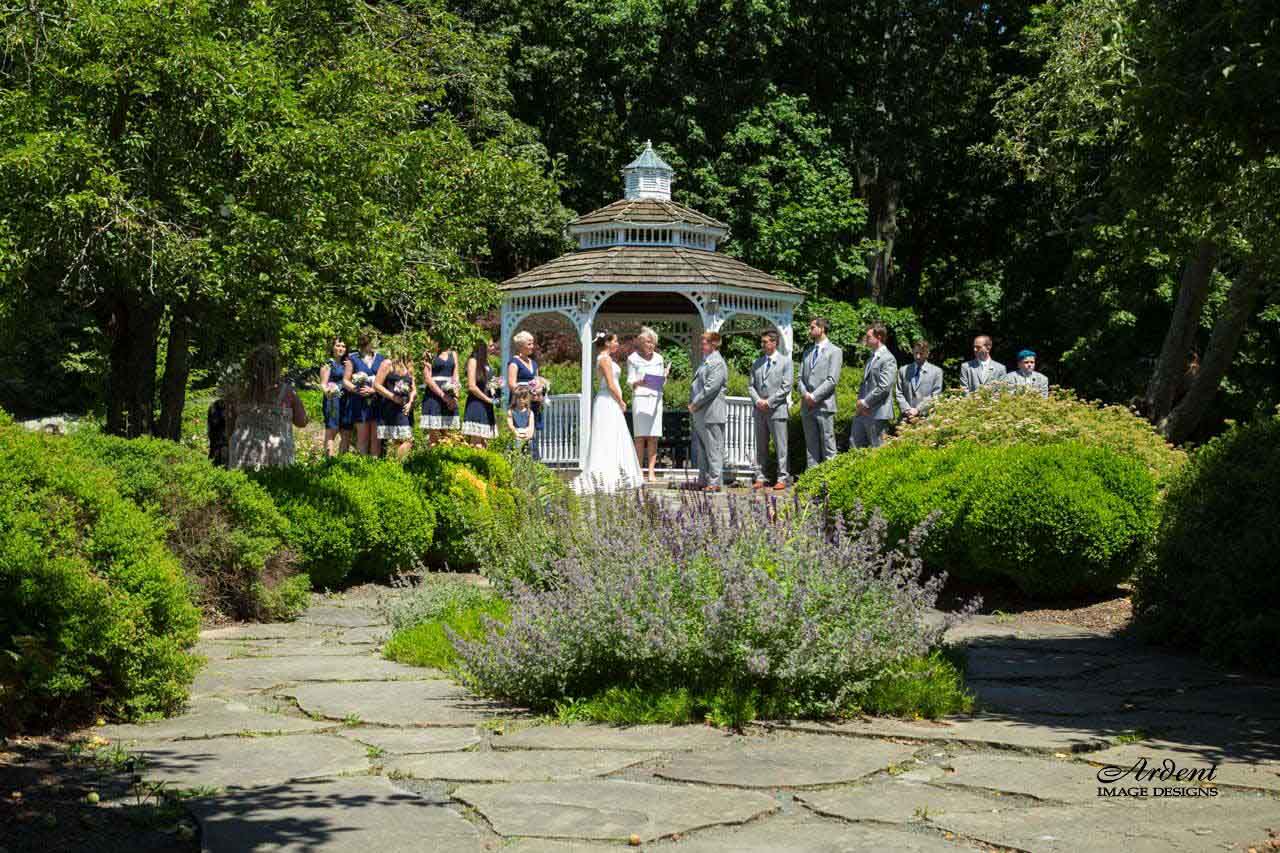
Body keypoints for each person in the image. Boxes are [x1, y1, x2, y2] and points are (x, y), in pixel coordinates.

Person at [573, 331, 643, 493]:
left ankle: (618, 471)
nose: (617, 344)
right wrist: (621, 401)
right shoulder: (604, 359)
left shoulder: (608, 358)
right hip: (608, 401)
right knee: (606, 435)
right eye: (615, 341)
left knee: (614, 435)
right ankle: (604, 474)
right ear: (607, 343)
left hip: (610, 401)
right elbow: (611, 384)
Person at [228, 344, 308, 470]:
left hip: (242, 449)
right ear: (276, 368)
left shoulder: (239, 392)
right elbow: (302, 421)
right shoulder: (287, 393)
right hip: (275, 451)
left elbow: (230, 426)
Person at [748, 330, 793, 490]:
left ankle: (782, 477)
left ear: (775, 343)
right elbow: (751, 386)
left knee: (781, 446)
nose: (763, 344)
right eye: (762, 341)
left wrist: (770, 401)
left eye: (766, 341)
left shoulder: (785, 362)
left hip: (777, 410)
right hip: (759, 410)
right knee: (761, 446)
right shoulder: (757, 362)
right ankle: (761, 477)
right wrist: (758, 400)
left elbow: (786, 386)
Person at [799, 317, 842, 469]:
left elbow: (832, 379)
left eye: (812, 327)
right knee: (810, 447)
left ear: (822, 328)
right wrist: (806, 395)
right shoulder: (807, 352)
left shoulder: (835, 351)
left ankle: (831, 483)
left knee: (828, 446)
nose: (809, 330)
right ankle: (811, 482)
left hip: (824, 405)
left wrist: (814, 397)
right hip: (807, 406)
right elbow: (800, 379)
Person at [688, 331, 728, 492]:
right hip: (702, 412)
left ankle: (715, 481)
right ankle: (704, 479)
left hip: (711, 411)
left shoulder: (717, 362)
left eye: (704, 342)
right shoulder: (706, 361)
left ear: (713, 344)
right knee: (703, 448)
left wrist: (695, 403)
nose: (701, 345)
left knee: (714, 447)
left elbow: (711, 387)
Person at [627, 326, 667, 483]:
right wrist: (640, 381)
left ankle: (651, 471)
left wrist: (664, 378)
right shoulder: (632, 358)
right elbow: (630, 381)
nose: (650, 345)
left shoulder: (659, 359)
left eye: (652, 342)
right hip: (640, 398)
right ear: (641, 343)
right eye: (647, 342)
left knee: (653, 437)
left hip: (656, 400)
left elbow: (661, 383)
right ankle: (638, 471)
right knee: (640, 437)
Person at [852, 323, 898, 449]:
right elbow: (865, 385)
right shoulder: (871, 358)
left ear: (878, 337)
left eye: (868, 337)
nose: (865, 340)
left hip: (878, 413)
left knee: (878, 451)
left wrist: (866, 402)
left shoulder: (888, 359)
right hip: (863, 412)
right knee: (855, 447)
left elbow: (884, 387)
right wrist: (861, 406)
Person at [344, 330, 385, 456]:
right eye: (367, 341)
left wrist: (373, 390)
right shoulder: (353, 358)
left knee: (376, 438)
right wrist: (357, 390)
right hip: (359, 401)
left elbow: (385, 380)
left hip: (377, 401)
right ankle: (362, 465)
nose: (370, 344)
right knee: (362, 437)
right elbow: (346, 380)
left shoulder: (381, 358)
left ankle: (374, 466)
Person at [375, 348, 417, 459]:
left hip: (405, 408)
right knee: (405, 439)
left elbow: (413, 389)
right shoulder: (388, 363)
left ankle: (396, 467)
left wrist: (411, 402)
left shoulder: (408, 365)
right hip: (390, 406)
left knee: (402, 441)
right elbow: (377, 385)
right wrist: (393, 397)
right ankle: (396, 467)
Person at [420, 339, 461, 444]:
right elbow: (428, 379)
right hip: (433, 396)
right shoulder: (429, 353)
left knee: (447, 434)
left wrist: (455, 397)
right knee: (434, 435)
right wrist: (443, 396)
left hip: (450, 395)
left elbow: (455, 376)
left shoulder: (453, 353)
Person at [319, 337, 353, 457]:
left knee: (346, 431)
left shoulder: (348, 363)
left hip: (347, 400)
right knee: (332, 430)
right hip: (333, 401)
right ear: (332, 347)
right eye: (338, 345)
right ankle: (329, 459)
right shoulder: (328, 364)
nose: (341, 348)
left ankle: (343, 460)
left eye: (343, 346)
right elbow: (323, 384)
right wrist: (328, 391)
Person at [896, 339, 944, 423]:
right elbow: (898, 393)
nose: (918, 356)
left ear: (927, 354)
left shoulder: (937, 372)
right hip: (905, 419)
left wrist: (918, 409)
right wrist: (907, 409)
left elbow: (935, 395)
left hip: (926, 419)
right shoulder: (903, 370)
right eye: (916, 353)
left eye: (921, 354)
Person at [462, 339, 498, 447]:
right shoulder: (473, 361)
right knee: (476, 442)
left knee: (484, 442)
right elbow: (472, 386)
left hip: (486, 404)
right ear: (483, 346)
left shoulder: (487, 362)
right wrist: (488, 399)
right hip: (476, 404)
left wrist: (497, 385)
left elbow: (488, 382)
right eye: (491, 345)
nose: (493, 348)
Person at [507, 386, 536, 453]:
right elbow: (511, 426)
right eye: (519, 398)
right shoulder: (511, 412)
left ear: (527, 399)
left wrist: (528, 435)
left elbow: (531, 427)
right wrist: (516, 433)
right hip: (515, 436)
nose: (521, 400)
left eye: (524, 398)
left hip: (527, 436)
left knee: (528, 451)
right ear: (515, 399)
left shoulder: (530, 413)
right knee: (516, 450)